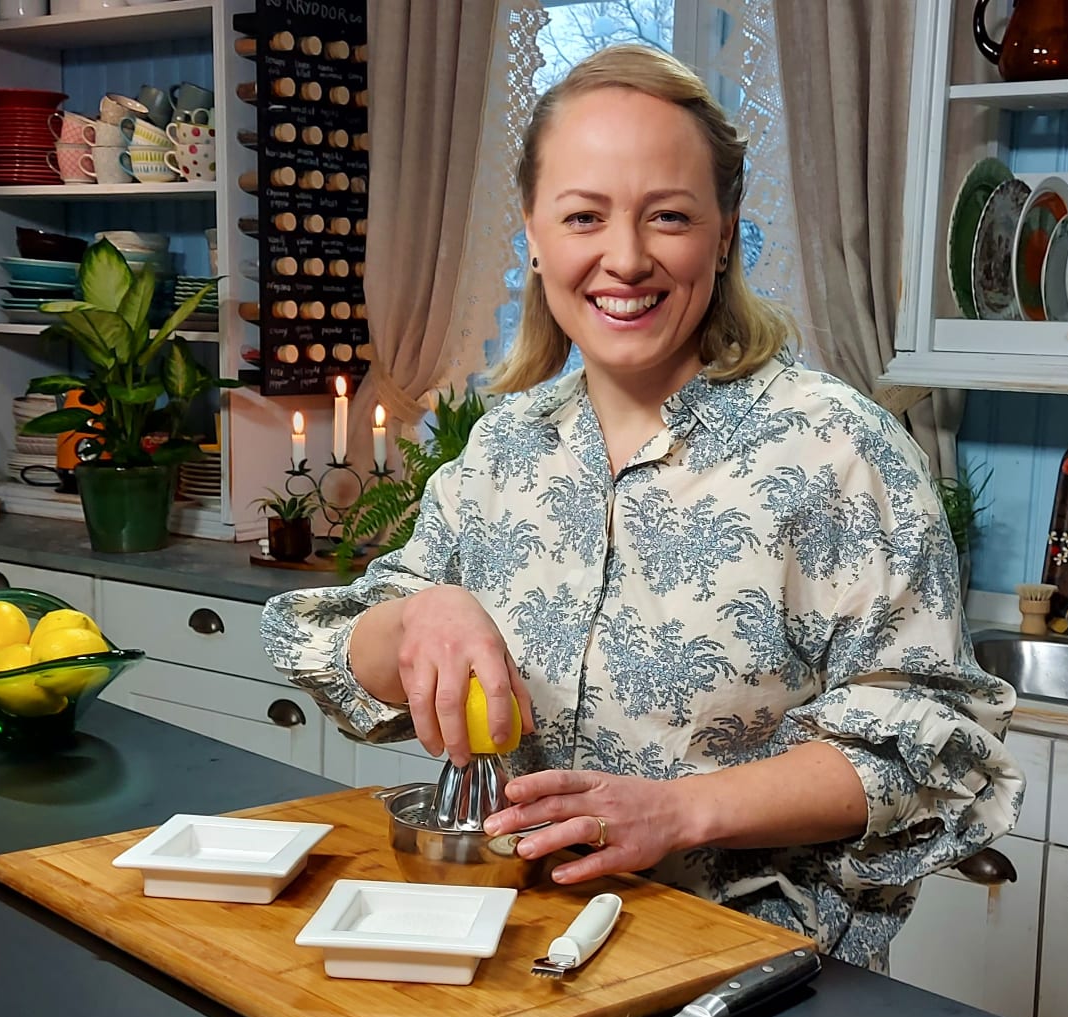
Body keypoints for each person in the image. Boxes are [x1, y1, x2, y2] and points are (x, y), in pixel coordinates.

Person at [260, 44, 1024, 970]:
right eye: (584, 216)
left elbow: (932, 749)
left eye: (669, 216)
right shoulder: (505, 447)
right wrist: (420, 615)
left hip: (753, 983)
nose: (624, 259)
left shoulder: (839, 452)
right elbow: (330, 647)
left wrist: (680, 811)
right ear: (534, 234)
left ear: (724, 233)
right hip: (518, 961)